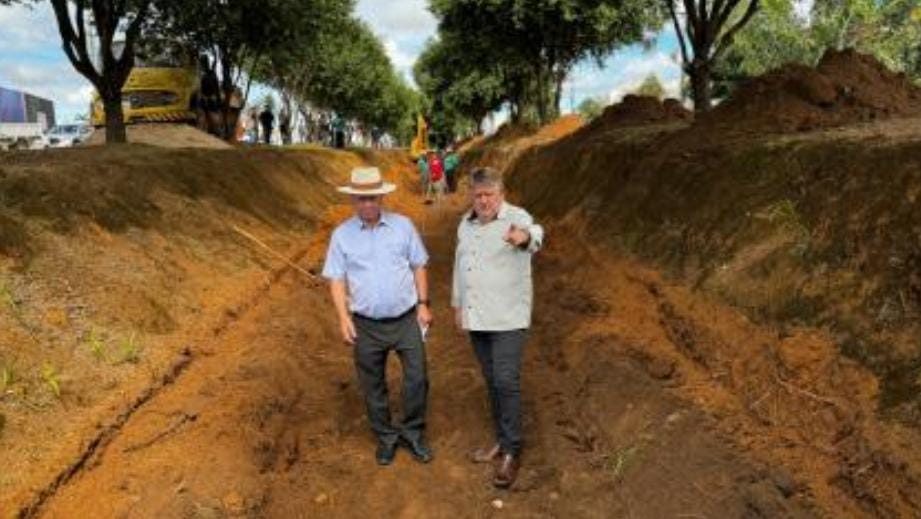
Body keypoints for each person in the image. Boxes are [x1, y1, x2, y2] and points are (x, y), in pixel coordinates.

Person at [322, 167, 435, 466]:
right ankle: (385, 437)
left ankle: (412, 433)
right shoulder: (341, 236)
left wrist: (423, 304)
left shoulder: (403, 227)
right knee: (373, 384)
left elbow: (419, 265)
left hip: (406, 319)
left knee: (417, 378)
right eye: (360, 199)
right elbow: (336, 279)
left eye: (372, 198)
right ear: (353, 200)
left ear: (381, 196)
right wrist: (343, 318)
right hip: (366, 324)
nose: (367, 204)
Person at [451, 167, 544, 489]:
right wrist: (458, 304)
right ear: (471, 196)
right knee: (492, 380)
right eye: (478, 195)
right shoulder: (466, 223)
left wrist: (525, 237)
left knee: (505, 380)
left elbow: (535, 235)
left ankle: (512, 451)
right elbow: (460, 265)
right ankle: (502, 441)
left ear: (501, 194)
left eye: (490, 194)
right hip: (477, 317)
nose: (484, 200)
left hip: (508, 318)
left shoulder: (517, 217)